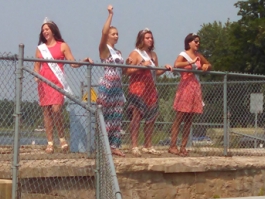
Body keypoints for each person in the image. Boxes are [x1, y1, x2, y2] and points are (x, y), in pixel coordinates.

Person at [34, 19, 92, 153]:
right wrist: (36, 76)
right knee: (47, 113)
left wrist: (83, 61)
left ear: (53, 30)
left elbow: (72, 63)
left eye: (47, 29)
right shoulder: (40, 49)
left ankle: (61, 138)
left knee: (56, 109)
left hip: (57, 83)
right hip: (44, 83)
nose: (45, 32)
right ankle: (50, 142)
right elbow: (36, 67)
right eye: (43, 30)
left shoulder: (62, 46)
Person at [126, 29, 172, 156]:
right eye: (147, 38)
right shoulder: (135, 54)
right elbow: (127, 71)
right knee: (136, 117)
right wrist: (141, 66)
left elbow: (156, 72)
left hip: (151, 89)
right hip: (138, 88)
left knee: (151, 117)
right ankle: (134, 145)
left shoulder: (153, 55)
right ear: (141, 39)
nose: (150, 40)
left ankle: (148, 145)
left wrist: (164, 69)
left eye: (151, 38)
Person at [169, 33, 212, 157]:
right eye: (195, 41)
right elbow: (177, 64)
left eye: (198, 41)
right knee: (179, 117)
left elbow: (208, 65)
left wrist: (206, 66)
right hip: (185, 87)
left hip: (195, 88)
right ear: (189, 42)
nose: (197, 43)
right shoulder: (183, 55)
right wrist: (191, 62)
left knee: (189, 119)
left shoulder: (199, 56)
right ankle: (173, 145)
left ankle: (183, 146)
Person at [97, 5, 126, 157]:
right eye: (113, 34)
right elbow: (103, 33)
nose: (116, 36)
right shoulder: (104, 49)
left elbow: (124, 70)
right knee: (105, 115)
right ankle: (102, 146)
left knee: (116, 117)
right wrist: (110, 15)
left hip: (118, 87)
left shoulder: (119, 52)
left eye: (117, 34)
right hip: (107, 87)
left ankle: (114, 145)